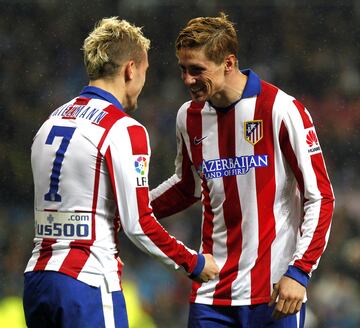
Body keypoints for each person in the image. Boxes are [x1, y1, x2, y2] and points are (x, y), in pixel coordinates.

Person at [23, 17, 219, 328]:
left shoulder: (52, 121)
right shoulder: (123, 129)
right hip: (87, 282)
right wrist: (193, 263)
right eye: (144, 73)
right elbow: (138, 223)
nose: (143, 82)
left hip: (38, 280)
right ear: (131, 69)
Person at [150, 13, 335, 328]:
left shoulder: (280, 109)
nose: (187, 80)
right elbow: (186, 187)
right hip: (212, 295)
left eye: (197, 70)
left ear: (228, 62)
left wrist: (300, 271)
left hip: (276, 292)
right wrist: (129, 208)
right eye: (183, 69)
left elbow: (320, 196)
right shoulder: (189, 117)